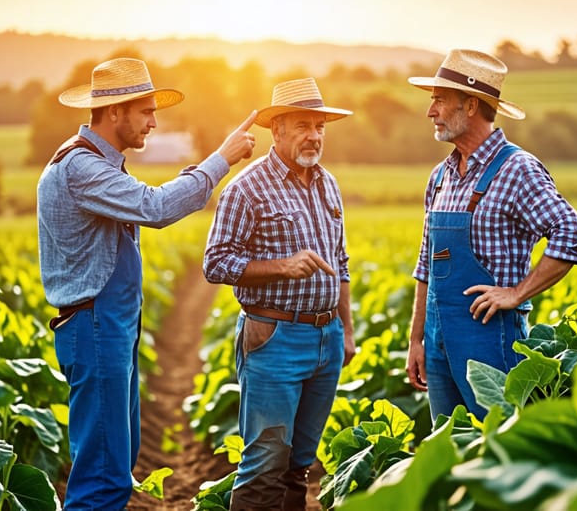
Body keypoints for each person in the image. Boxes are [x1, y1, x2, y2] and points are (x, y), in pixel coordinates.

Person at [36, 57, 256, 510]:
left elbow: (148, 202)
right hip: (96, 327)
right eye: (147, 112)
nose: (155, 123)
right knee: (102, 477)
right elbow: (155, 208)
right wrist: (222, 159)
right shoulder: (81, 168)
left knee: (115, 463)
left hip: (109, 328)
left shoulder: (99, 164)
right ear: (114, 112)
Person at [404, 49, 577, 422]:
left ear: (470, 105)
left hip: (490, 340)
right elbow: (426, 264)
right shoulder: (440, 177)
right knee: (450, 446)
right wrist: (416, 339)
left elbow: (572, 234)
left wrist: (517, 293)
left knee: (497, 450)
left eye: (440, 100)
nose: (431, 111)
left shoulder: (516, 169)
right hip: (439, 342)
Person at [203, 77, 356, 511]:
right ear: (279, 130)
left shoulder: (328, 184)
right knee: (264, 464)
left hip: (326, 338)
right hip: (274, 338)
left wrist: (346, 330)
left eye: (320, 126)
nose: (314, 135)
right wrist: (282, 267)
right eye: (303, 125)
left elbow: (340, 263)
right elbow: (215, 264)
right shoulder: (246, 189)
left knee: (301, 464)